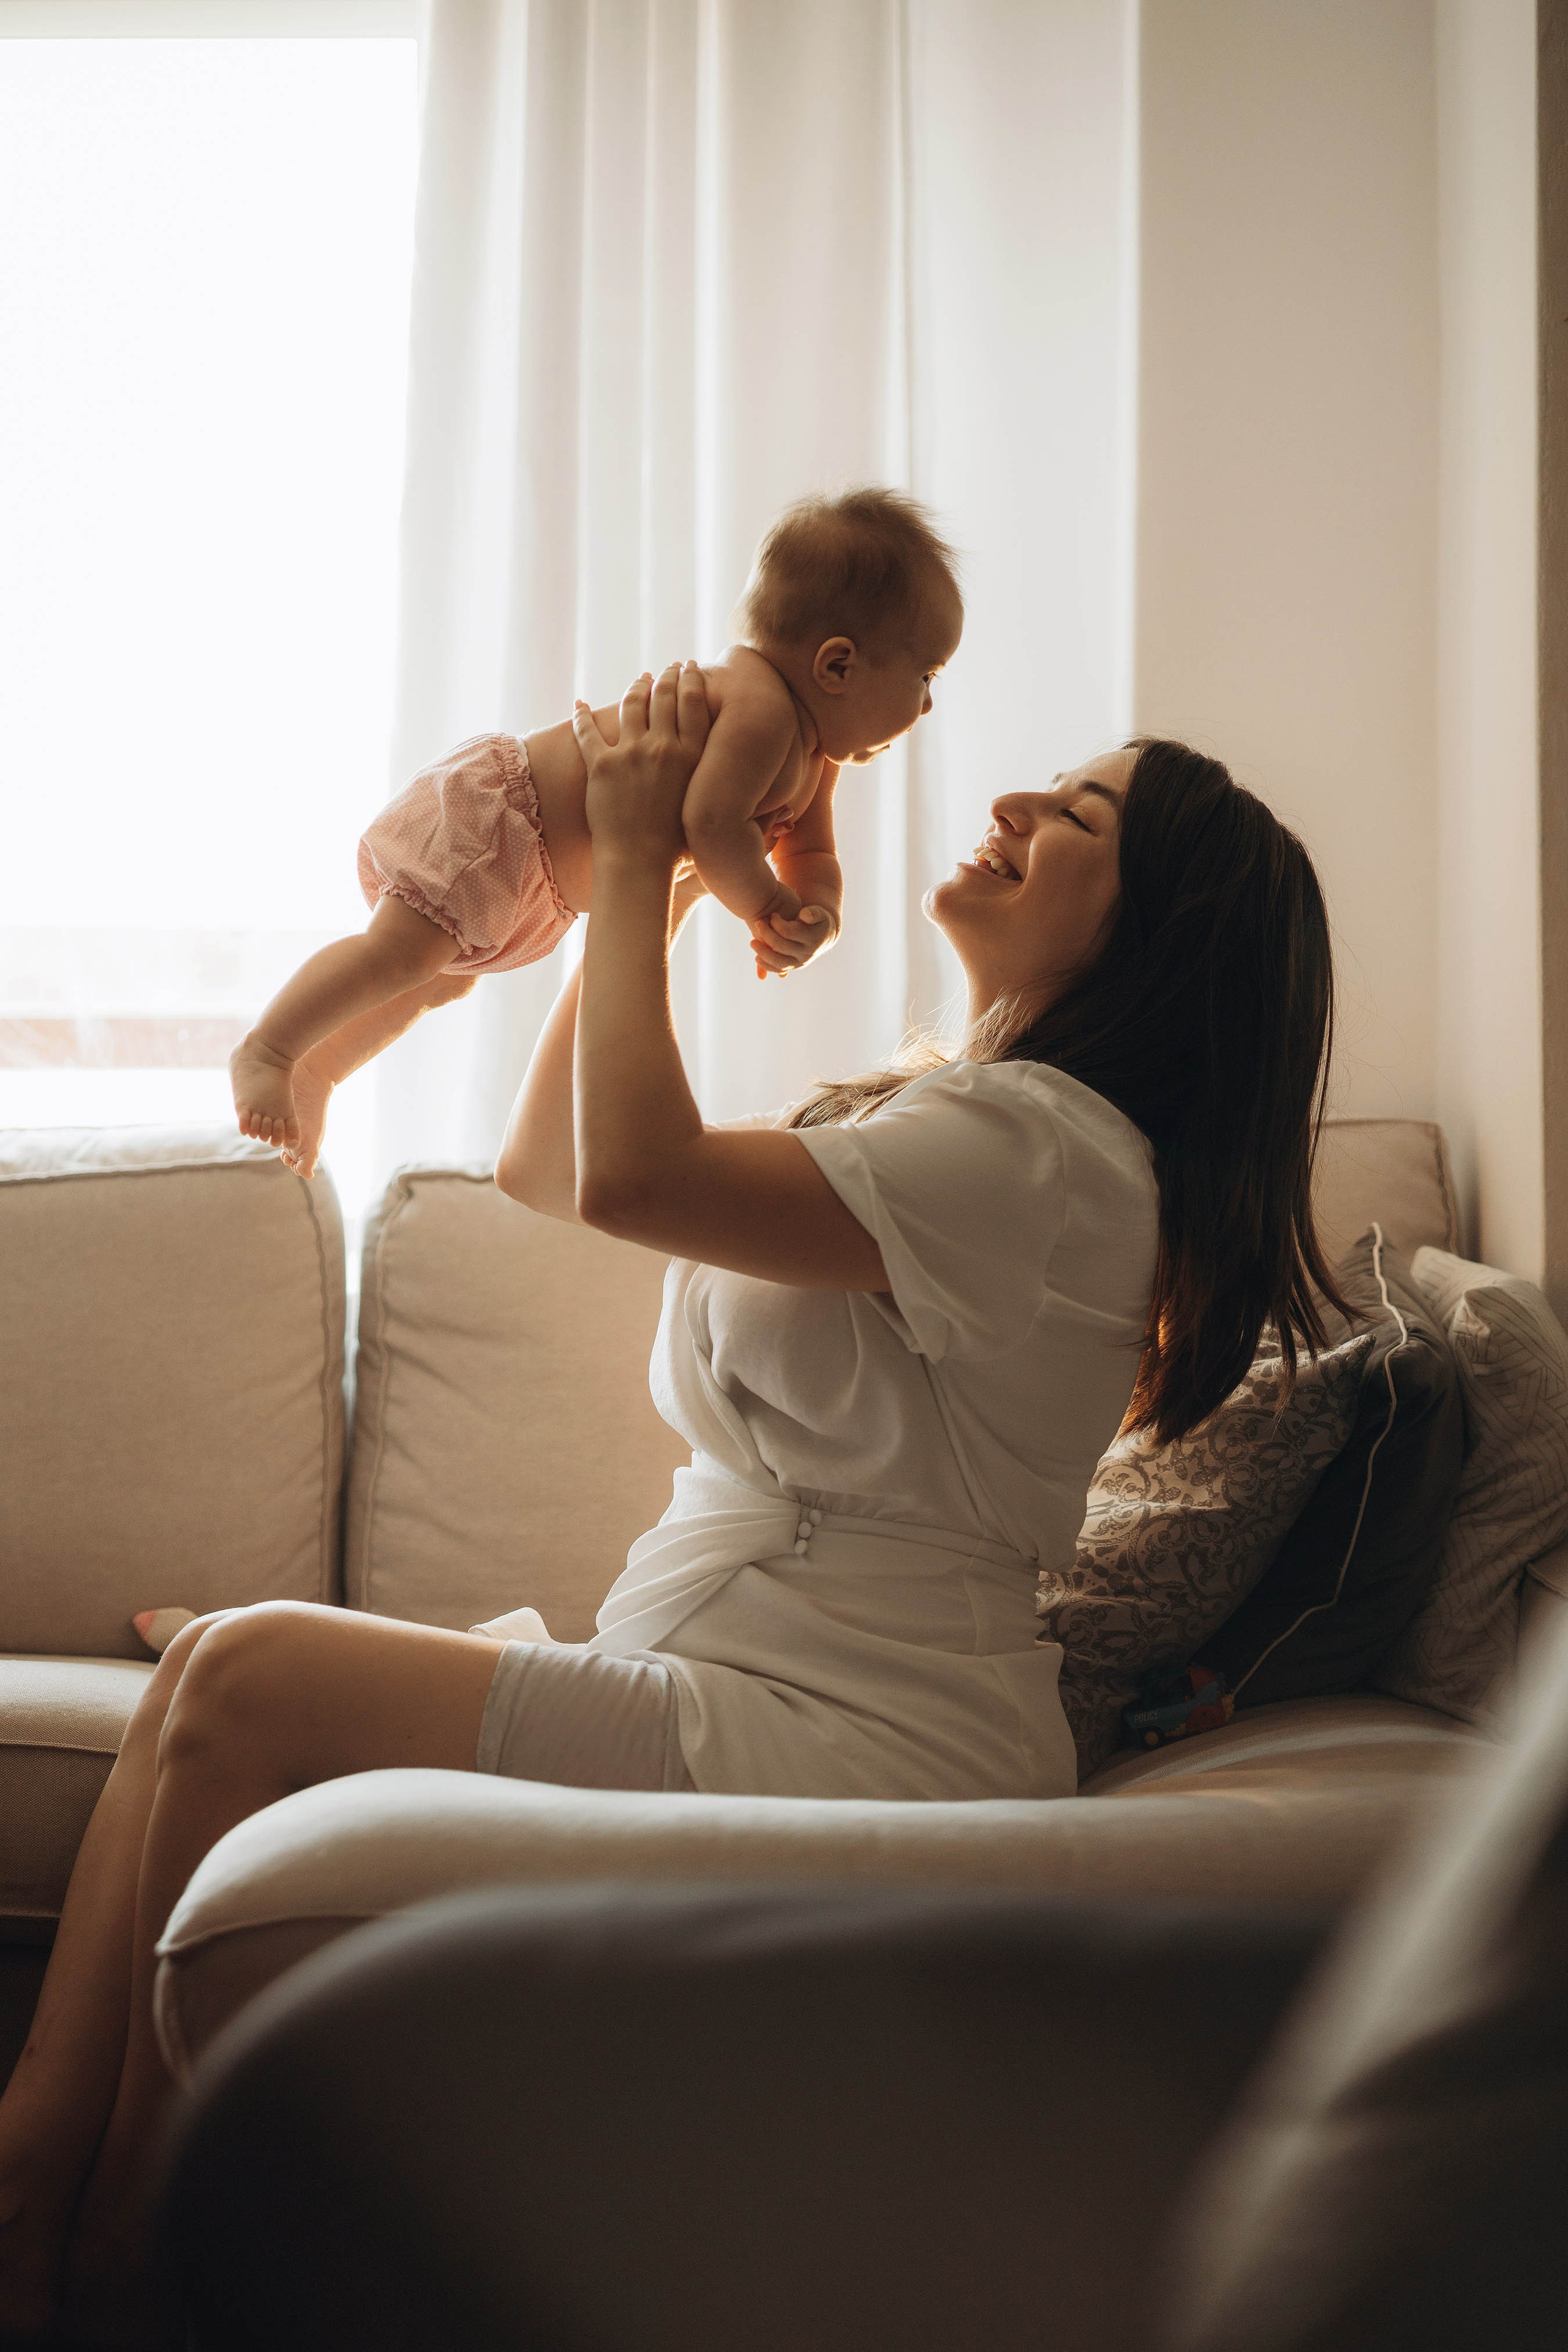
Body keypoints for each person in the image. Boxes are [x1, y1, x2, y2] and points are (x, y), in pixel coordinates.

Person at [0, 664, 1345, 2345]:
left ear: (1161, 939)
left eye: (1074, 816)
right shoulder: (963, 1121)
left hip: (858, 1739)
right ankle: (35, 2180)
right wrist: (695, 878)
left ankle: (125, 2245)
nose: (1009, 809)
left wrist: (635, 856)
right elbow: (552, 1169)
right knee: (210, 1680)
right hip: (755, 1690)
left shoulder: (1050, 1153)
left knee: (249, 1675)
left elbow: (628, 1172)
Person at [228, 488, 965, 1178]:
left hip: (540, 878)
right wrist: (765, 906)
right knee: (399, 954)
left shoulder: (811, 756)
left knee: (432, 985)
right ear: (837, 664)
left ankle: (320, 1069)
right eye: (926, 676)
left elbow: (811, 854)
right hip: (503, 820)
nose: (929, 705)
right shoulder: (760, 711)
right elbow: (713, 825)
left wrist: (818, 917)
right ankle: (269, 1047)